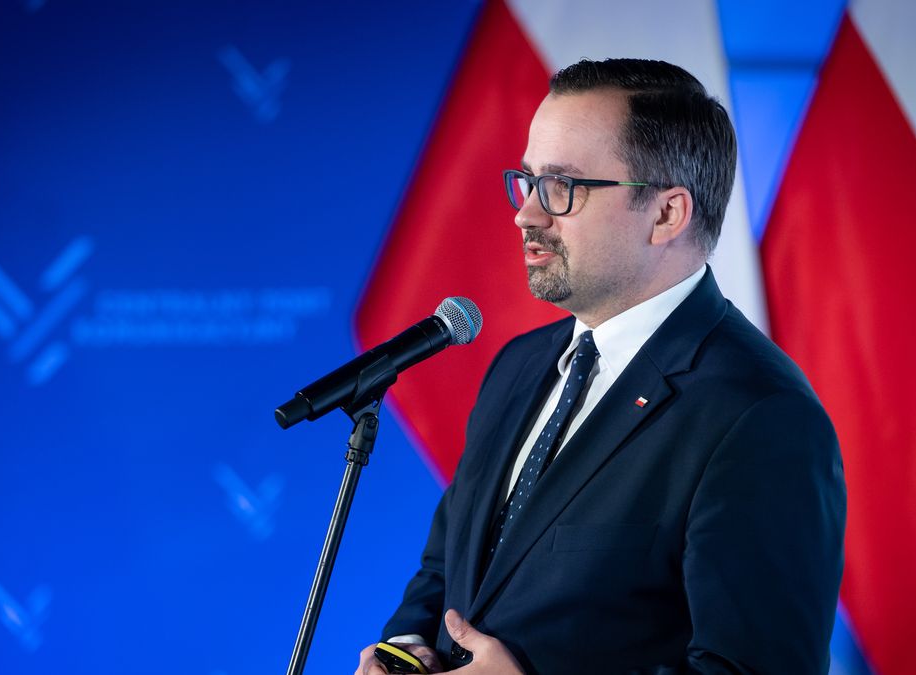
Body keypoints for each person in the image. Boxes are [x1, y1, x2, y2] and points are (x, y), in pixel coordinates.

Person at [356, 58, 846, 674]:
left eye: (562, 187)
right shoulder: (518, 366)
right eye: (527, 180)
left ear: (667, 214)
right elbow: (447, 571)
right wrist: (403, 654)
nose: (526, 214)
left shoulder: (760, 416)